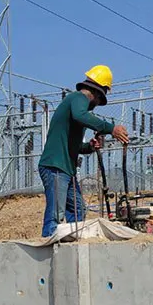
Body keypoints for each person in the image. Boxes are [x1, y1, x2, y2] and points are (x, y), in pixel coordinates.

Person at [38, 65, 129, 237]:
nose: (96, 105)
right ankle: (49, 241)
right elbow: (81, 116)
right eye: (99, 101)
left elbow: (75, 145)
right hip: (55, 166)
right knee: (55, 213)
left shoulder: (76, 108)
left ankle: (75, 239)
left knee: (78, 208)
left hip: (66, 169)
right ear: (98, 93)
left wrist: (89, 147)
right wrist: (111, 128)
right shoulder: (78, 98)